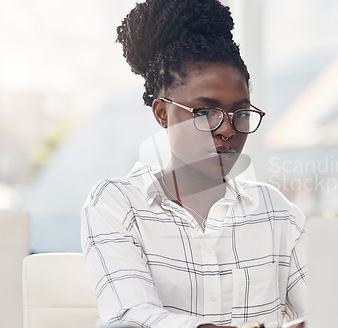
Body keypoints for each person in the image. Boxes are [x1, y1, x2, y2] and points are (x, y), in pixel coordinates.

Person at [80, 1, 307, 328]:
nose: (227, 129)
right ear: (162, 113)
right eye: (205, 113)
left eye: (240, 113)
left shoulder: (278, 213)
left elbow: (326, 306)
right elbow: (130, 316)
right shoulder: (118, 205)